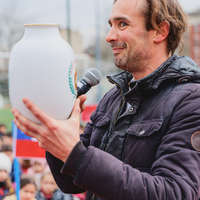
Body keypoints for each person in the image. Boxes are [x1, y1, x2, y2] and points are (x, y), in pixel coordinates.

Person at [12, 0, 200, 199]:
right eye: (110, 25)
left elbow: (176, 192)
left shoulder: (191, 100)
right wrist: (56, 136)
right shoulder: (113, 97)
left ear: (160, 31)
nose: (110, 37)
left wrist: (75, 154)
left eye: (123, 24)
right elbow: (70, 184)